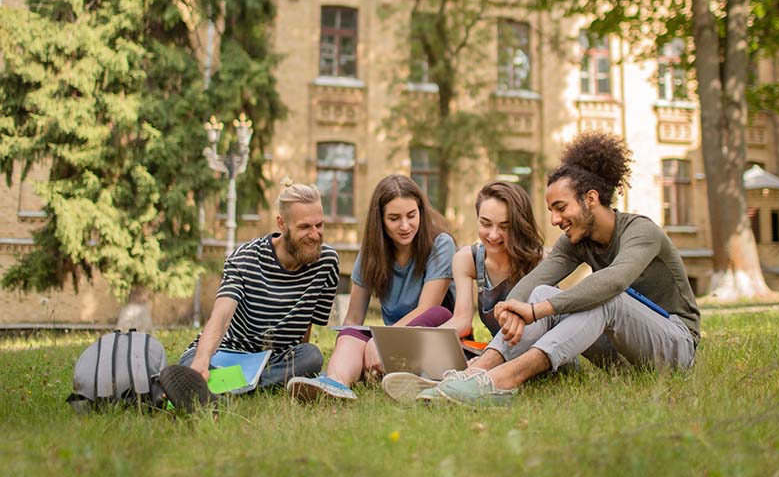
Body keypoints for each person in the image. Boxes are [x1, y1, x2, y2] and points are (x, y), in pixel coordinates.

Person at [418, 131, 701, 406]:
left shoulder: (641, 231)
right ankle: (475, 373)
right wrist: (513, 306)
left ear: (590, 199)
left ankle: (501, 382)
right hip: (622, 360)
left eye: (560, 208)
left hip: (675, 346)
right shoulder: (576, 241)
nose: (554, 219)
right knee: (541, 291)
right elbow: (534, 283)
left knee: (606, 299)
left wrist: (536, 311)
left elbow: (613, 282)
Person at [159, 180, 340, 411]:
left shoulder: (327, 262)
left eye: (319, 225)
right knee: (193, 362)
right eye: (305, 227)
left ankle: (214, 391)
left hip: (271, 360)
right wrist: (202, 362)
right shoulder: (245, 257)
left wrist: (297, 366)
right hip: (227, 353)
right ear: (282, 224)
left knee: (311, 357)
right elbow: (221, 316)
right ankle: (208, 382)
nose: (315, 235)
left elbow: (305, 327)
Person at [289, 174, 455, 401]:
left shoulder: (441, 244)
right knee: (350, 332)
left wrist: (380, 340)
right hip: (392, 344)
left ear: (421, 213)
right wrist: (351, 343)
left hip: (432, 339)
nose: (405, 226)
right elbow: (353, 317)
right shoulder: (371, 254)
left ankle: (395, 371)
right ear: (381, 220)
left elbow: (428, 310)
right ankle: (334, 383)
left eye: (411, 215)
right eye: (394, 218)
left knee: (438, 313)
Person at [381, 180, 544, 401]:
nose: (493, 235)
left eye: (504, 227)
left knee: (477, 362)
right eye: (486, 224)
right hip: (498, 353)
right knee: (453, 351)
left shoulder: (537, 262)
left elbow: (546, 325)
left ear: (519, 225)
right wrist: (416, 343)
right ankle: (443, 381)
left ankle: (457, 382)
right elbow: (462, 322)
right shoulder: (467, 259)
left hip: (536, 354)